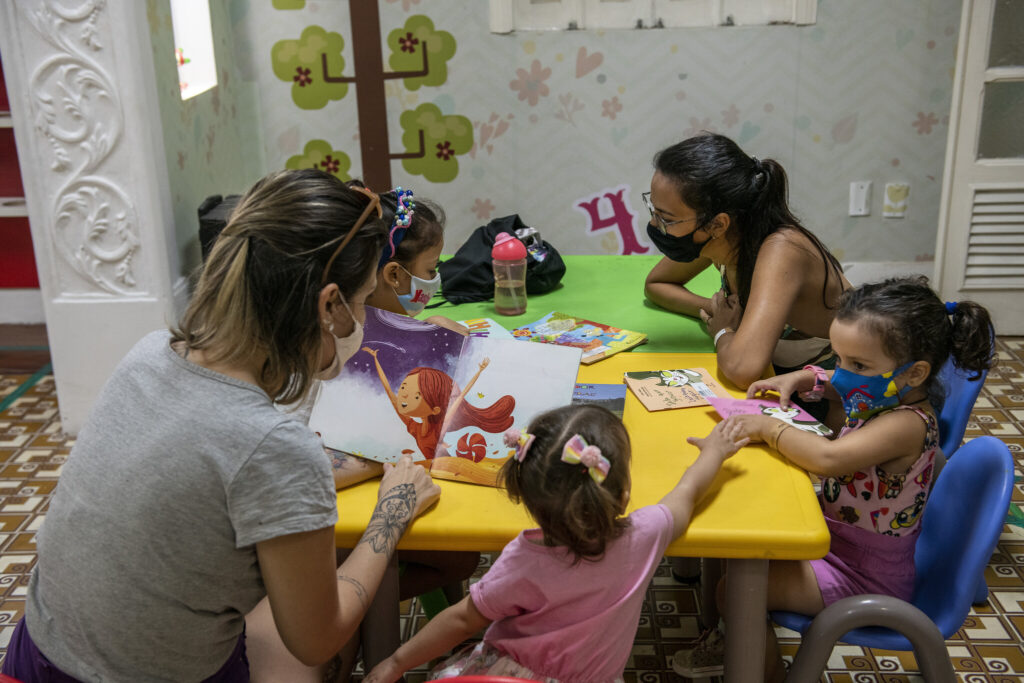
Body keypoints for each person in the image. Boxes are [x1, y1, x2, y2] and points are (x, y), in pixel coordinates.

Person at [2, 169, 441, 682]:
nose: (362, 321)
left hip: (35, 659)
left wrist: (344, 467)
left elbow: (212, 478)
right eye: (363, 300)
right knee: (324, 641)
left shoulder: (149, 355)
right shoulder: (274, 445)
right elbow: (316, 635)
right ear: (328, 304)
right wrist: (392, 512)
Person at [671, 276, 994, 681]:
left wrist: (769, 429)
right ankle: (731, 642)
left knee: (735, 589)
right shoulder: (883, 393)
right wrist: (803, 379)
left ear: (915, 374)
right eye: (838, 358)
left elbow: (826, 458)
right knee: (739, 542)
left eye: (857, 365)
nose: (841, 374)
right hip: (835, 544)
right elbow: (844, 387)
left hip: (865, 575)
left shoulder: (906, 425)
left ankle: (761, 670)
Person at [364, 404, 750, 683]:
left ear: (529, 499)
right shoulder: (646, 536)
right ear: (625, 492)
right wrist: (716, 450)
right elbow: (687, 492)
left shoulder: (522, 561)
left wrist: (396, 662)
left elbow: (464, 619)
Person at [642, 133, 852, 409]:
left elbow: (743, 370)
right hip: (781, 380)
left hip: (840, 397)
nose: (655, 225)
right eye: (653, 210)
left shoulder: (781, 251)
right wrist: (722, 313)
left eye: (666, 218)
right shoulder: (717, 239)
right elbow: (657, 285)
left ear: (717, 224)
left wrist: (724, 332)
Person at [354, 183, 466, 335]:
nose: (435, 278)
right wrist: (430, 337)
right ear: (394, 274)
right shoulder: (348, 341)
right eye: (431, 269)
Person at [363, 350, 515, 459]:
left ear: (435, 410)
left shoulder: (439, 428)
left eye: (416, 396)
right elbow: (389, 391)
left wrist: (479, 371)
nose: (403, 395)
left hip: (446, 468)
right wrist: (375, 358)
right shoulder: (413, 427)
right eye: (403, 387)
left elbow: (461, 395)